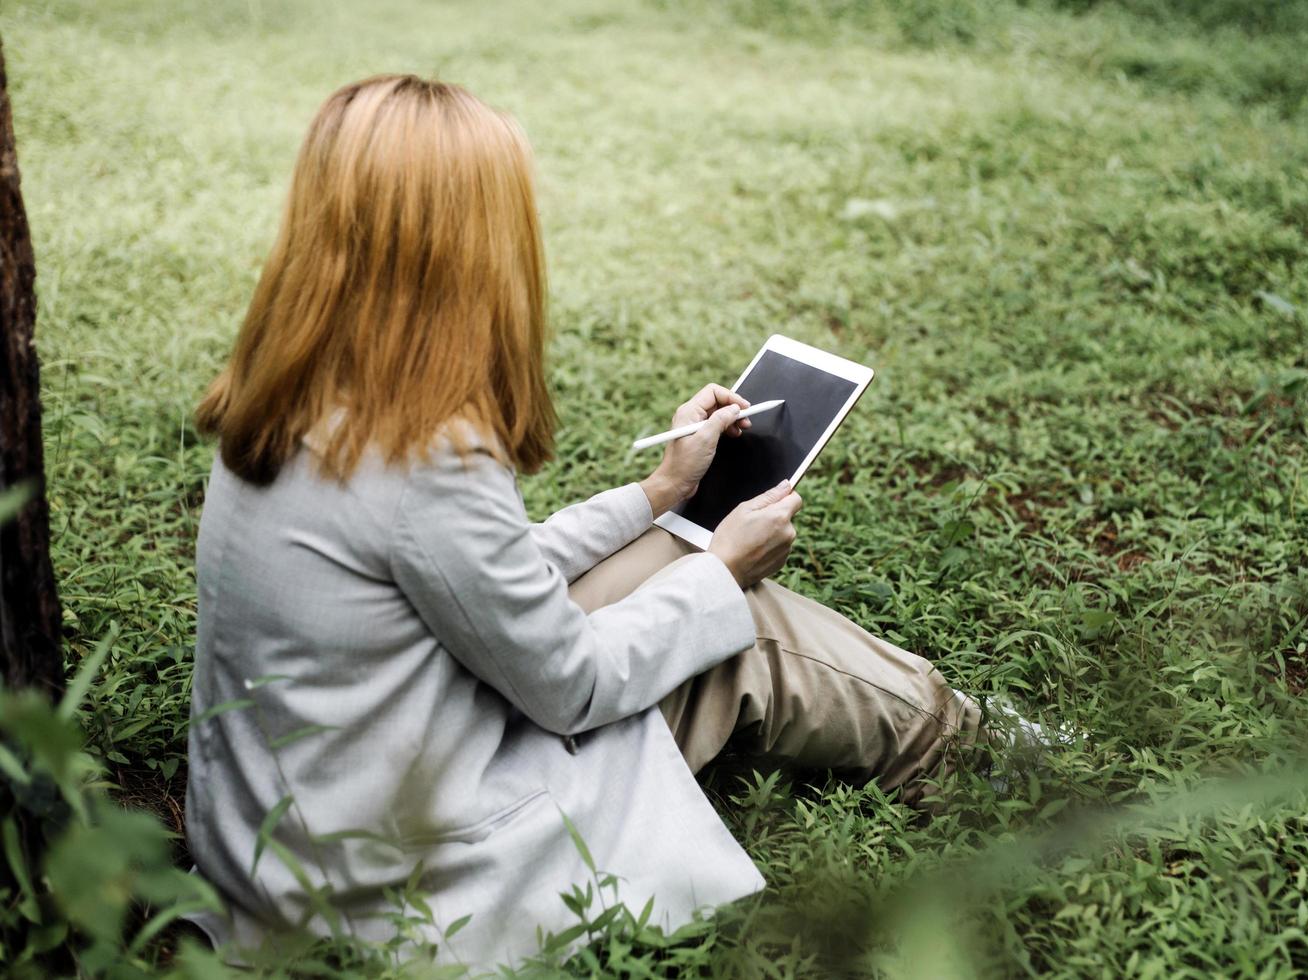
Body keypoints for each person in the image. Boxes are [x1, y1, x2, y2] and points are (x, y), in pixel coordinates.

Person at [183, 73, 1028, 970]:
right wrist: (722, 575)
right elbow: (571, 687)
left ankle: (961, 732)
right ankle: (984, 760)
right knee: (742, 629)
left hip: (292, 839)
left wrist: (659, 494)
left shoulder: (293, 396)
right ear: (460, 247)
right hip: (400, 879)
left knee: (668, 547)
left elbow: (480, 575)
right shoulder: (428, 452)